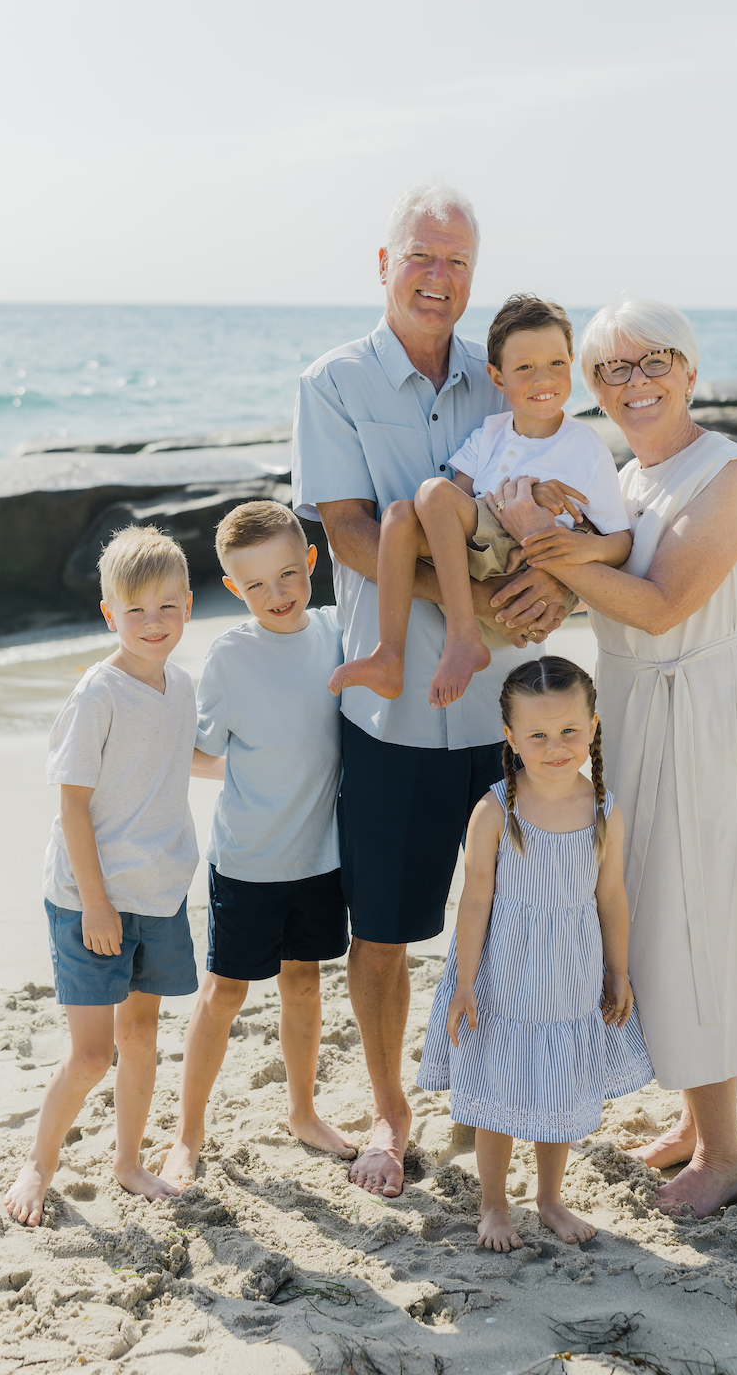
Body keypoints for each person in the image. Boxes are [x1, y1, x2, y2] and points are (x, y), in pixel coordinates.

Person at [292, 181, 576, 1199]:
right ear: (382, 262)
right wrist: (470, 601)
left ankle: (511, 1098)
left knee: (524, 913)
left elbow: (556, 487)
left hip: (509, 702)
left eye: (457, 261)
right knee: (385, 929)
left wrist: (546, 580)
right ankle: (389, 1109)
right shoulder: (330, 384)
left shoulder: (504, 372)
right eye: (422, 256)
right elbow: (348, 532)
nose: (438, 277)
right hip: (395, 709)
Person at [500, 298, 737, 1219]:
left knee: (697, 907)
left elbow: (659, 605)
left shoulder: (731, 472)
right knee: (651, 903)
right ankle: (698, 1121)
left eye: (651, 360)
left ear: (690, 370)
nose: (633, 382)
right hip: (631, 699)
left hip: (697, 702)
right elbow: (608, 587)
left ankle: (726, 1153)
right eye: (610, 370)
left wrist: (556, 553)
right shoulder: (631, 477)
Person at [417, 656, 652, 1250]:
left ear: (593, 727)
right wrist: (465, 982)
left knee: (559, 1087)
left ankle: (549, 1197)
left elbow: (612, 896)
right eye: (538, 735)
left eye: (570, 731)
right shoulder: (496, 811)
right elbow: (473, 902)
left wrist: (618, 971)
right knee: (499, 1092)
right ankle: (494, 1204)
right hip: (504, 978)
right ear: (511, 738)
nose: (555, 746)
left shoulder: (603, 809)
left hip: (571, 979)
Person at [5, 526, 200, 1227]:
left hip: (159, 891)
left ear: (188, 607)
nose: (153, 624)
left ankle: (127, 1161)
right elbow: (72, 803)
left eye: (167, 608)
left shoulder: (180, 688)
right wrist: (95, 904)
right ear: (109, 615)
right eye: (136, 610)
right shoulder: (98, 695)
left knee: (141, 1035)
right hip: (90, 899)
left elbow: (184, 758)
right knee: (91, 1055)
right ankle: (39, 1164)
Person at [161, 502, 356, 1184]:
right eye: (255, 587)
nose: (276, 596)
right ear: (232, 591)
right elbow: (197, 752)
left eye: (286, 575)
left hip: (320, 858)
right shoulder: (229, 658)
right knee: (224, 993)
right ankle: (188, 1134)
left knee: (304, 984)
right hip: (247, 860)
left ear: (311, 561)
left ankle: (302, 1111)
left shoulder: (336, 633)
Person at [329, 295, 631, 709]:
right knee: (400, 513)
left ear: (572, 362)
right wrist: (523, 491)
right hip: (475, 558)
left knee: (431, 492)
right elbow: (460, 498)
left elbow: (620, 540)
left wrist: (578, 549)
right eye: (524, 367)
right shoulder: (492, 431)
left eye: (556, 363)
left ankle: (463, 636)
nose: (543, 378)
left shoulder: (585, 446)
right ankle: (388, 656)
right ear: (497, 377)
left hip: (520, 567)